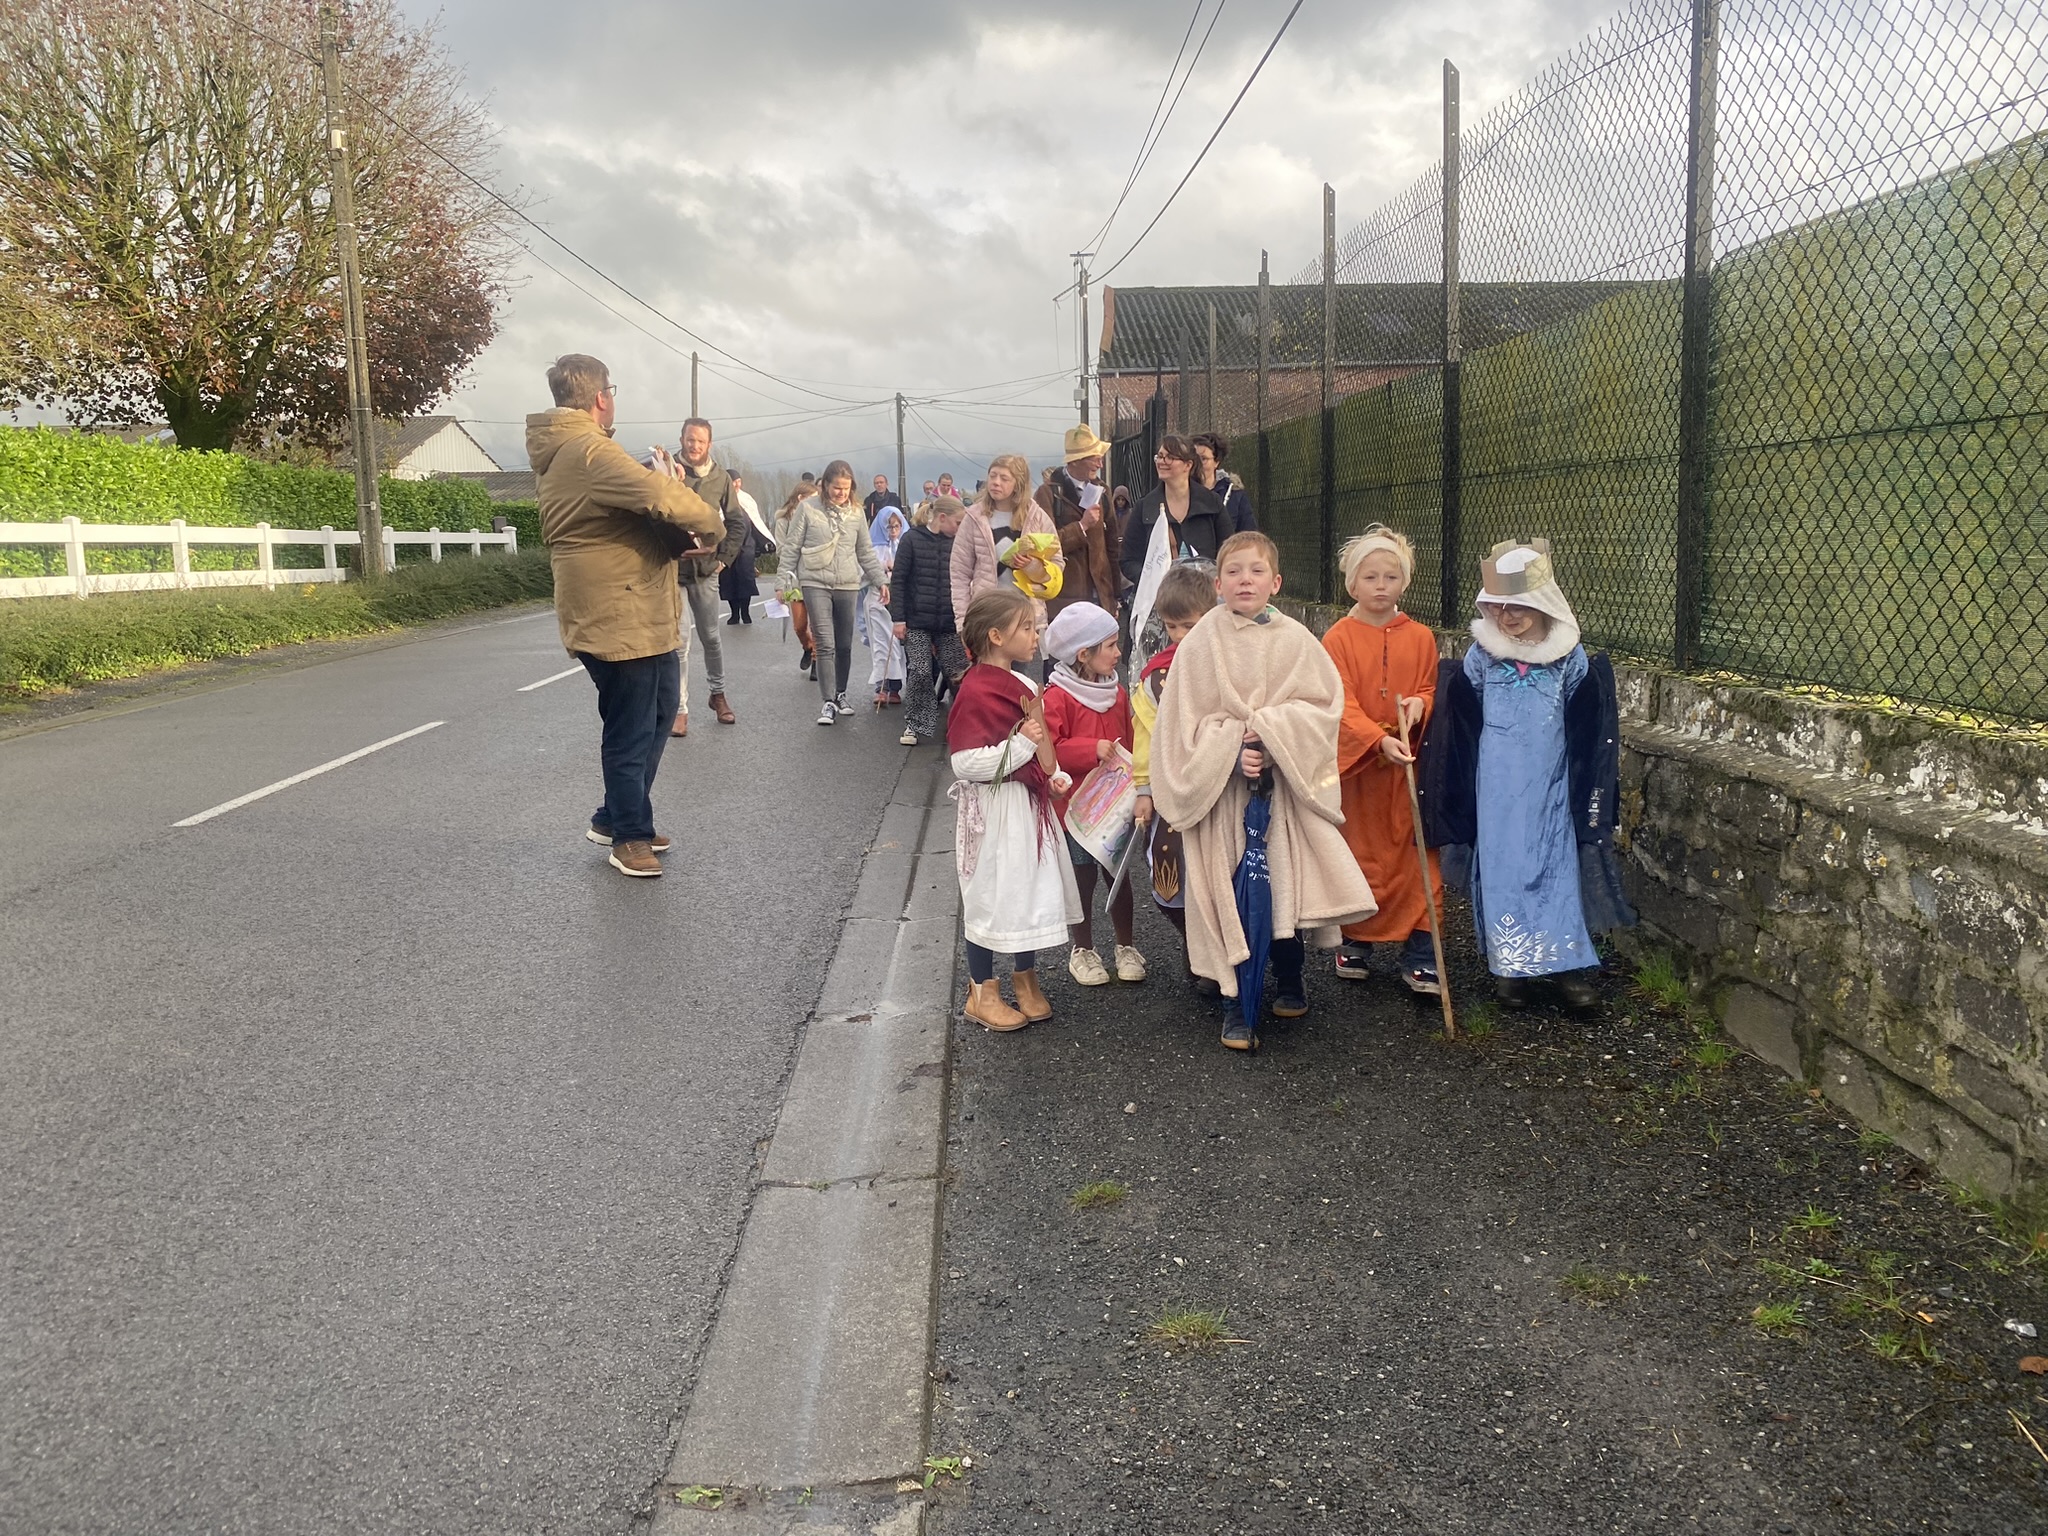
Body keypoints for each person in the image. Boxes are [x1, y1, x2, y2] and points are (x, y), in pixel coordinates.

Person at [1149, 532, 1377, 1049]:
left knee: (1279, 890)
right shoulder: (1199, 645)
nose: (1244, 580)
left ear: (1275, 582)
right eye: (1233, 572)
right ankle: (1235, 1002)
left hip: (1280, 793)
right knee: (1228, 893)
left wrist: (1271, 738)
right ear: (1218, 583)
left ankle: (1290, 976)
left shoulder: (1297, 641)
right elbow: (1181, 725)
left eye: (1255, 571)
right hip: (1220, 797)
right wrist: (1229, 751)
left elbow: (1322, 709)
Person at [526, 354, 723, 878]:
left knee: (659, 709)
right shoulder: (589, 450)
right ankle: (629, 836)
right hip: (617, 609)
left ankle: (616, 815)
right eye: (611, 391)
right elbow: (661, 497)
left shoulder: (579, 452)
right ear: (600, 397)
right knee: (631, 725)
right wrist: (711, 522)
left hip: (633, 604)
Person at [1424, 539, 1630, 1010]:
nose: (1509, 616)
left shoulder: (1567, 659)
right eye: (1499, 606)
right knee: (1503, 869)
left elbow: (1582, 722)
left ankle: (1564, 967)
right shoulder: (1483, 657)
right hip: (1496, 788)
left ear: (1542, 603)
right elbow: (1465, 716)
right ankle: (1510, 966)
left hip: (1550, 787)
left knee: (1554, 870)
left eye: (1519, 605)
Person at [947, 585, 1082, 1031]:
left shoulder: (1025, 683)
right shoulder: (974, 690)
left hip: (1027, 807)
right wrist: (1022, 746)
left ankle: (1025, 978)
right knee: (987, 893)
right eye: (1025, 627)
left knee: (1026, 888)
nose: (1034, 635)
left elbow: (1041, 739)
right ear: (996, 637)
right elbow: (966, 762)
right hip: (993, 810)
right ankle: (981, 990)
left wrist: (1054, 773)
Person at [1322, 525, 1445, 995]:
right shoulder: (1337, 638)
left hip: (1409, 766)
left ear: (1405, 582)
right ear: (1352, 584)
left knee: (1418, 855)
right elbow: (1339, 702)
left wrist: (1420, 705)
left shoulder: (1422, 637)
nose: (1380, 586)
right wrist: (1375, 740)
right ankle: (1355, 939)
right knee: (1362, 853)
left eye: (1390, 577)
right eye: (1370, 577)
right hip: (1363, 768)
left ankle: (1421, 949)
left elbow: (1431, 688)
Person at [1042, 602, 1144, 987]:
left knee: (1119, 875)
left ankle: (1126, 946)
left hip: (1116, 806)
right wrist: (1092, 749)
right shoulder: (1057, 697)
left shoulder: (1116, 694)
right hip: (1078, 809)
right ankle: (1082, 949)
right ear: (1083, 654)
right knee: (1082, 878)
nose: (1119, 653)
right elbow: (1050, 749)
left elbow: (1133, 741)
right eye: (1111, 645)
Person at [1129, 561, 1217, 988]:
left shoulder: (1228, 661)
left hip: (1222, 788)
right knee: (1169, 870)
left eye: (1188, 625)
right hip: (1172, 791)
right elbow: (1144, 734)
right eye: (1171, 627)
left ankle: (1223, 955)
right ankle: (1193, 945)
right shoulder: (1155, 676)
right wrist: (1143, 787)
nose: (1179, 636)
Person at [781, 459, 887, 725]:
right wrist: (782, 582)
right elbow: (792, 547)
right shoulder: (806, 509)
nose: (841, 493)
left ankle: (841, 694)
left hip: (848, 583)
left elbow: (865, 550)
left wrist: (880, 581)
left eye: (845, 488)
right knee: (825, 642)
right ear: (825, 485)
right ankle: (827, 701)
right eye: (836, 487)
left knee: (843, 644)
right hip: (814, 581)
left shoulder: (856, 512)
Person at [1120, 436, 1232, 674]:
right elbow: (1127, 560)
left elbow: (1228, 553)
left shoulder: (1211, 504)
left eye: (1170, 457)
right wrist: (1154, 579)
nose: (1162, 461)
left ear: (1188, 465)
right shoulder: (1145, 507)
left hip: (1203, 607)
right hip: (1157, 609)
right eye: (1159, 456)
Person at [671, 417, 746, 734]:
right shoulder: (667, 471)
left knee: (710, 637)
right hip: (671, 569)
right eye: (690, 439)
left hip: (706, 571)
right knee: (679, 642)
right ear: (682, 438)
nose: (694, 446)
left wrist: (723, 560)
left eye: (700, 441)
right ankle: (680, 708)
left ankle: (718, 695)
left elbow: (737, 522)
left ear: (709, 444)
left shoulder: (720, 478)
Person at [889, 494, 969, 747]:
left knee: (959, 673)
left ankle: (966, 722)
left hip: (949, 622)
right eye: (957, 523)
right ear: (942, 518)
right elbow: (898, 580)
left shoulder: (958, 543)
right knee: (920, 671)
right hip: (916, 621)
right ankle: (915, 724)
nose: (959, 529)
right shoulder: (911, 539)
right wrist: (898, 618)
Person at [951, 453, 1063, 631]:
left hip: (1026, 617)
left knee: (1024, 659)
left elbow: (1057, 563)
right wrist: (963, 621)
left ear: (1018, 485)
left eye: (1004, 478)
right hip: (987, 617)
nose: (996, 482)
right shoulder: (974, 518)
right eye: (992, 476)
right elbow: (959, 573)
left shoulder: (1036, 517)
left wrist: (1032, 567)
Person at [1034, 424, 1122, 623]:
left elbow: (1112, 547)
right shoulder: (1048, 494)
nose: (1100, 464)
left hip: (1099, 596)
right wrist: (1081, 527)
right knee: (1068, 654)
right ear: (1076, 461)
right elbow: (1045, 546)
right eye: (1095, 458)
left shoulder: (1103, 491)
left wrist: (1113, 596)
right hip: (1064, 600)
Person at [864, 505, 907, 708]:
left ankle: (896, 687)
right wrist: (881, 572)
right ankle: (881, 687)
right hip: (877, 602)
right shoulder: (873, 548)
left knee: (897, 646)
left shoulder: (906, 545)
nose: (893, 530)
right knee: (881, 645)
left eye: (897, 526)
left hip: (899, 603)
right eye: (889, 526)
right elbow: (863, 573)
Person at [774, 484, 816, 673]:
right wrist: (797, 546)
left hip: (815, 577)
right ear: (801, 498)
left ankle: (817, 660)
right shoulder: (783, 520)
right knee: (799, 626)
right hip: (794, 578)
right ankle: (807, 648)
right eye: (812, 497)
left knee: (818, 624)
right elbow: (782, 550)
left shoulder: (817, 517)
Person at [720, 471, 771, 625]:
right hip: (726, 546)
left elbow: (756, 521)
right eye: (732, 481)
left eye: (738, 481)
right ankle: (734, 613)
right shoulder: (719, 498)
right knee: (728, 581)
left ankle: (745, 612)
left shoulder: (746, 499)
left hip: (746, 546)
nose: (736, 484)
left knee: (745, 580)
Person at [1191, 432, 1257, 534]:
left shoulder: (1235, 495)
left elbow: (1248, 533)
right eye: (1194, 458)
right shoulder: (1181, 492)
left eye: (1203, 459)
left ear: (1216, 462)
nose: (1197, 464)